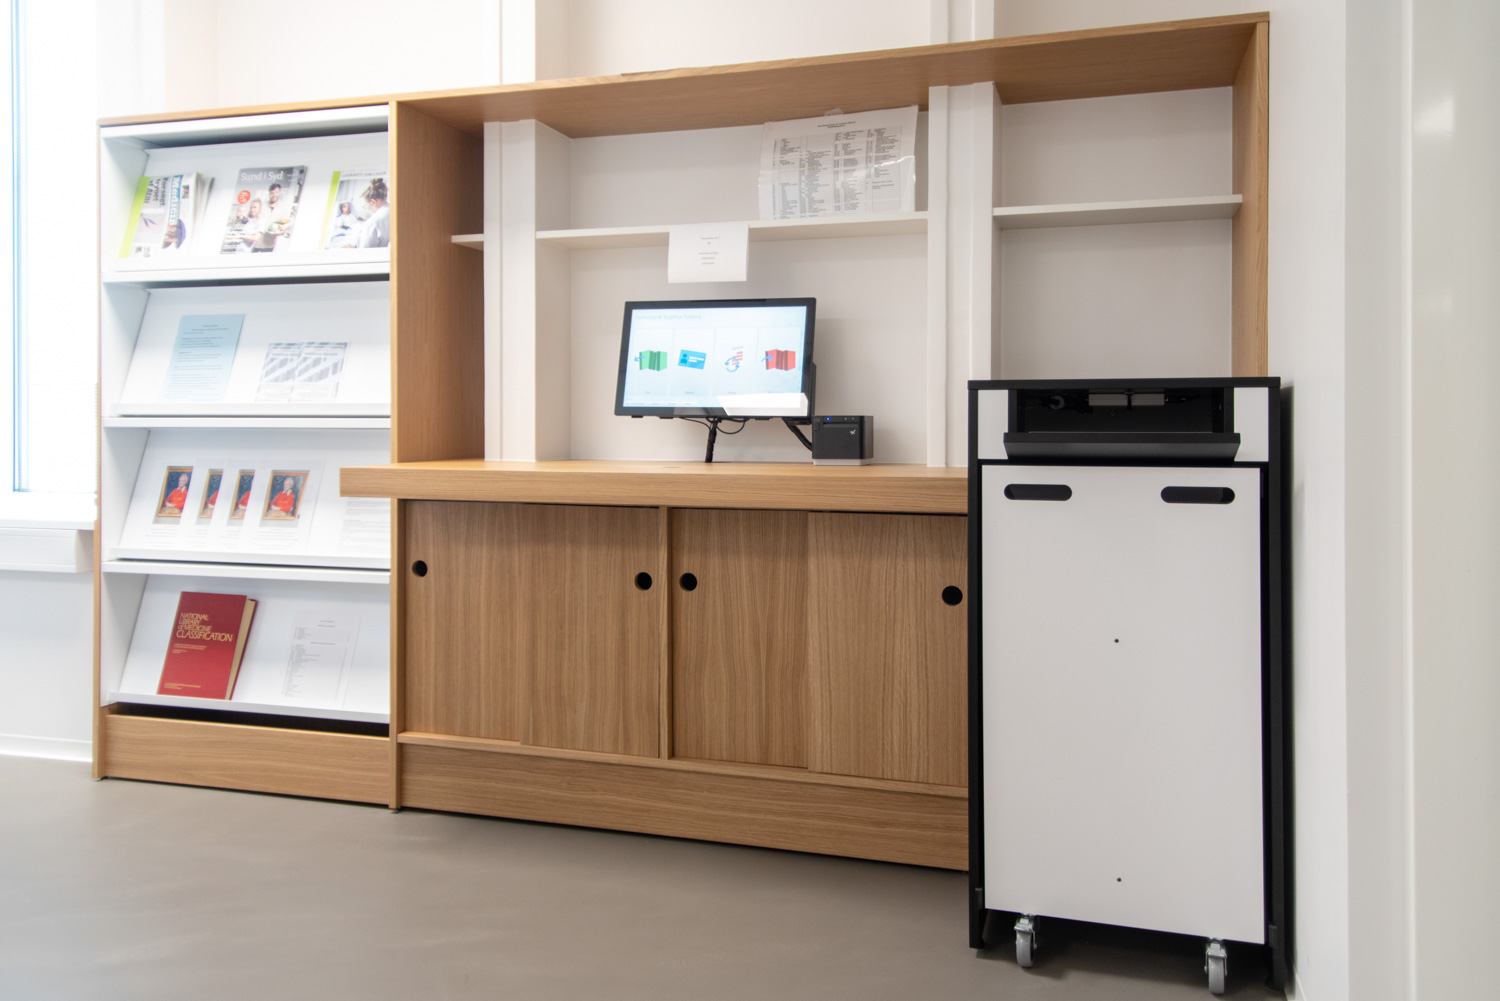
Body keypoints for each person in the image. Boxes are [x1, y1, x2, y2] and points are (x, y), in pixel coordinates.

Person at [252, 182, 294, 252]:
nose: (274, 195)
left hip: (270, 244)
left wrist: (282, 231)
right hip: (256, 242)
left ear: (279, 192)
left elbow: (283, 224)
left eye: (276, 192)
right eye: (272, 193)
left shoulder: (283, 208)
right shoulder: (262, 205)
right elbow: (254, 220)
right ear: (269, 194)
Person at [355, 178, 389, 249]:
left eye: (365, 205)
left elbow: (365, 251)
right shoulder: (397, 210)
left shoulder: (372, 223)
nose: (367, 208)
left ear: (373, 202)